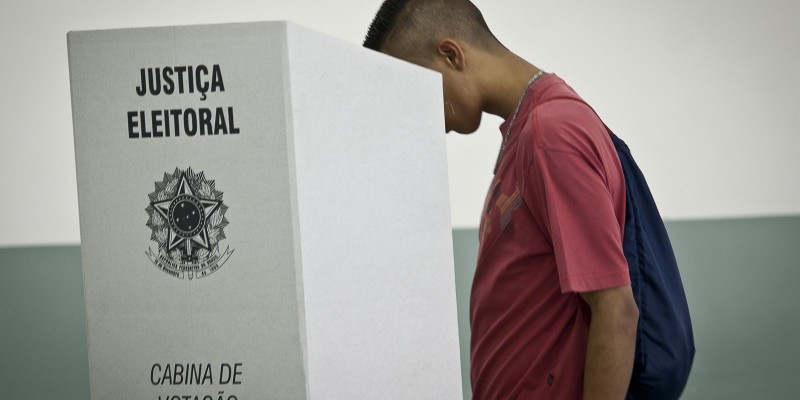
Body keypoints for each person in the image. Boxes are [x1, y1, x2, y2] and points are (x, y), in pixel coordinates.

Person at [363, 1, 694, 399]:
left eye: (415, 89)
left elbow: (616, 310)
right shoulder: (529, 132)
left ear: (451, 54)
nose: (416, 113)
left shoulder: (550, 135)